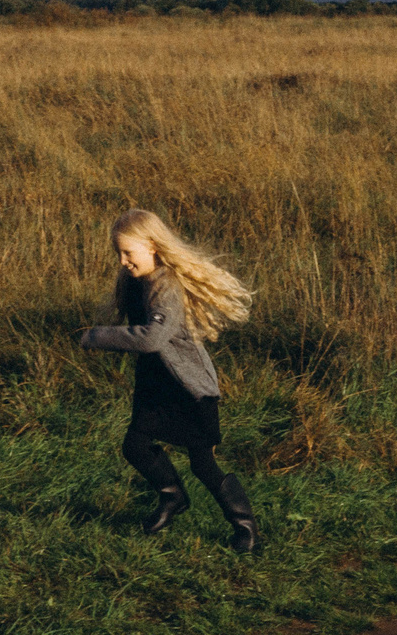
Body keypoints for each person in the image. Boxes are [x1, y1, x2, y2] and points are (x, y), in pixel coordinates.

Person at [78, 208, 260, 551]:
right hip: (155, 384)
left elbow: (152, 338)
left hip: (188, 388)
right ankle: (173, 497)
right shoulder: (135, 280)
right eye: (118, 253)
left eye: (127, 252)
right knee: (135, 446)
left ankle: (245, 527)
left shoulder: (167, 286)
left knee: (202, 463)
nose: (122, 261)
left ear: (152, 246)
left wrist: (96, 337)